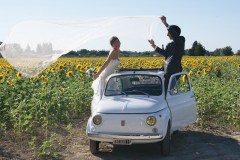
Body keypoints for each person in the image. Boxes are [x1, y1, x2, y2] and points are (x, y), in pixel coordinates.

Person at [148, 16, 185, 96]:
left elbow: (175, 36)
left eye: (169, 33)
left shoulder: (180, 41)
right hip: (167, 72)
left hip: (174, 72)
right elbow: (165, 54)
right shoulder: (169, 45)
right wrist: (154, 46)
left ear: (173, 32)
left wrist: (165, 24)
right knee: (164, 91)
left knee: (166, 91)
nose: (167, 35)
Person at [91, 36, 121, 102]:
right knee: (107, 94)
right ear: (112, 44)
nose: (118, 43)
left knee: (112, 94)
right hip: (106, 75)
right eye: (116, 42)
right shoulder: (113, 51)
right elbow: (106, 63)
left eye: (118, 41)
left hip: (111, 74)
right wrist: (97, 74)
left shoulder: (118, 50)